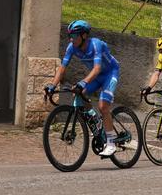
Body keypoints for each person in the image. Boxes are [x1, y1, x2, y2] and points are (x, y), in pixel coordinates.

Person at [48, 20, 121, 157]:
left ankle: (111, 143)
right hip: (96, 76)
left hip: (110, 73)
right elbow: (62, 68)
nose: (71, 39)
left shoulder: (96, 44)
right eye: (70, 36)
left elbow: (97, 68)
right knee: (78, 93)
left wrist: (83, 81)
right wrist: (53, 85)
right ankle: (96, 121)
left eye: (74, 36)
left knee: (103, 106)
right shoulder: (72, 47)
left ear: (84, 36)